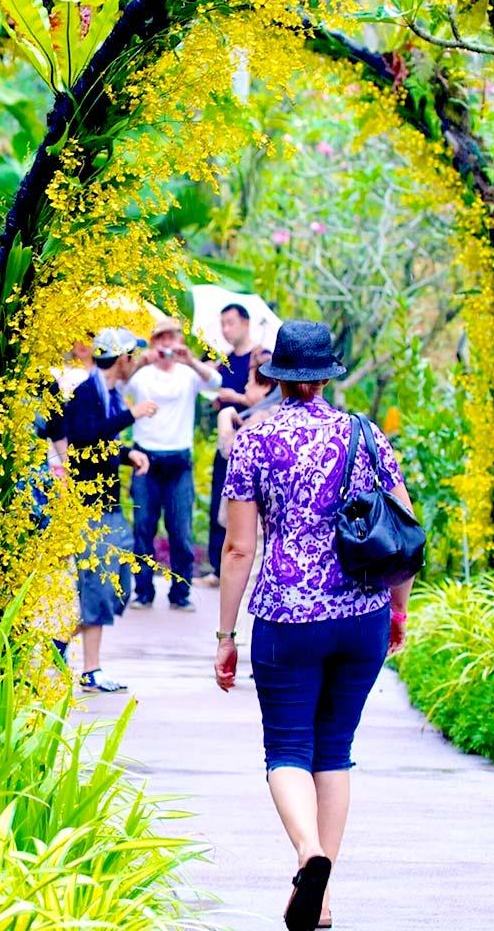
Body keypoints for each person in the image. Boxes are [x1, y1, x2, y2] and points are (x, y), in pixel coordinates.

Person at [213, 319, 414, 931]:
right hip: (362, 615)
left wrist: (226, 636)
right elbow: (403, 524)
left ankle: (309, 855)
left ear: (275, 375)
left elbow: (238, 548)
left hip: (286, 617)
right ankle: (322, 900)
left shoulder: (254, 440)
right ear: (328, 373)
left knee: (287, 748)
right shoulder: (367, 435)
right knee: (336, 751)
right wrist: (398, 608)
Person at [61, 327, 155, 693]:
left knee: (117, 582)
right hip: (89, 505)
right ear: (123, 359)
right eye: (134, 357)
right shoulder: (87, 392)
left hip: (108, 503)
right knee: (98, 585)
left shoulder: (109, 394)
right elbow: (84, 437)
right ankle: (90, 669)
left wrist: (126, 454)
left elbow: (101, 442)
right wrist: (131, 416)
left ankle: (57, 643)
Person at [125, 317, 222, 611]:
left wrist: (191, 360)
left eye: (171, 337)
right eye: (160, 338)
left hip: (179, 461)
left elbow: (216, 383)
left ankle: (180, 593)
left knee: (181, 530)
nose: (166, 344)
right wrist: (141, 361)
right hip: (146, 460)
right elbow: (119, 386)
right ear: (153, 341)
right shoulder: (142, 375)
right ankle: (143, 591)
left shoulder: (187, 374)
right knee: (143, 528)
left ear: (179, 340)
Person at [204, 303, 262, 582]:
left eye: (231, 323)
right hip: (226, 442)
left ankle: (241, 564)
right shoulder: (223, 361)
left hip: (251, 444)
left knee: (244, 506)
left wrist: (236, 398)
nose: (226, 329)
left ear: (246, 322)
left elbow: (266, 398)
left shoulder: (260, 358)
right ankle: (218, 566)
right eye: (222, 324)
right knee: (219, 502)